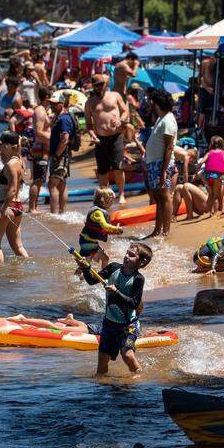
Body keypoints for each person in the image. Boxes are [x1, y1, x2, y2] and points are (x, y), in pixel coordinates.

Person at [73, 241, 153, 376]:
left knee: (127, 355)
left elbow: (134, 303)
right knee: (102, 358)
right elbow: (92, 280)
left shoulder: (138, 279)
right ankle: (101, 384)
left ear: (141, 263)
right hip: (109, 323)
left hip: (128, 325)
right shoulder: (113, 268)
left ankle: (138, 375)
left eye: (132, 255)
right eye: (127, 253)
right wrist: (86, 268)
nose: (127, 256)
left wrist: (116, 293)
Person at [85, 73, 130, 203]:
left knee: (118, 167)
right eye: (96, 85)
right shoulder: (90, 103)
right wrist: (92, 134)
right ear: (93, 86)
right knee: (103, 170)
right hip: (100, 139)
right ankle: (105, 196)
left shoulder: (115, 96)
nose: (99, 87)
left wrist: (121, 120)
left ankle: (121, 194)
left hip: (116, 136)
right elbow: (88, 124)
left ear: (106, 84)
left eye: (101, 84)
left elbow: (125, 111)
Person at [0, 131, 28, 264]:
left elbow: (12, 189)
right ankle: (28, 268)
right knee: (18, 246)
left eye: (2, 145)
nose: (0, 147)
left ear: (9, 146)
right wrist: (19, 142)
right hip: (17, 208)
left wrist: (1, 211)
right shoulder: (20, 160)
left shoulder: (11, 164)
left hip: (6, 207)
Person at [143, 89, 178, 237]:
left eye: (152, 102)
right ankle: (157, 230)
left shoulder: (168, 120)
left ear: (157, 104)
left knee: (165, 197)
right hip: (154, 163)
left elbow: (169, 147)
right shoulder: (161, 119)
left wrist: (163, 170)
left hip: (161, 164)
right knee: (158, 197)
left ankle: (166, 231)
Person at [79, 188, 124, 270]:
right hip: (88, 242)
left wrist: (115, 232)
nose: (112, 203)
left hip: (88, 241)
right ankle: (102, 276)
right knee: (88, 263)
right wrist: (116, 229)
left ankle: (79, 277)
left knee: (102, 259)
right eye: (111, 200)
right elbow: (105, 226)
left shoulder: (98, 210)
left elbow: (102, 230)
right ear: (106, 200)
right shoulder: (97, 212)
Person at [47, 96, 76, 215]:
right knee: (62, 184)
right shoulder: (60, 117)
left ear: (62, 104)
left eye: (55, 104)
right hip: (62, 155)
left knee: (52, 184)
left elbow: (65, 139)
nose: (52, 106)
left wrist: (57, 155)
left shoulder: (64, 119)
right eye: (51, 104)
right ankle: (62, 214)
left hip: (61, 156)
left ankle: (54, 215)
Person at [26, 87, 52, 212]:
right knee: (38, 179)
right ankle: (32, 208)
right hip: (41, 148)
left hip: (44, 148)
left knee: (40, 179)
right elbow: (39, 133)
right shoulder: (40, 111)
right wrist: (54, 138)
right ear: (47, 97)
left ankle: (34, 207)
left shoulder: (43, 110)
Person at [201, 135, 224, 215]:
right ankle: (215, 212)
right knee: (216, 194)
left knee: (211, 194)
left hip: (208, 176)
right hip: (217, 176)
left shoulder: (209, 153)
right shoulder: (223, 153)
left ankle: (210, 211)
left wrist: (197, 171)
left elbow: (201, 162)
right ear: (222, 144)